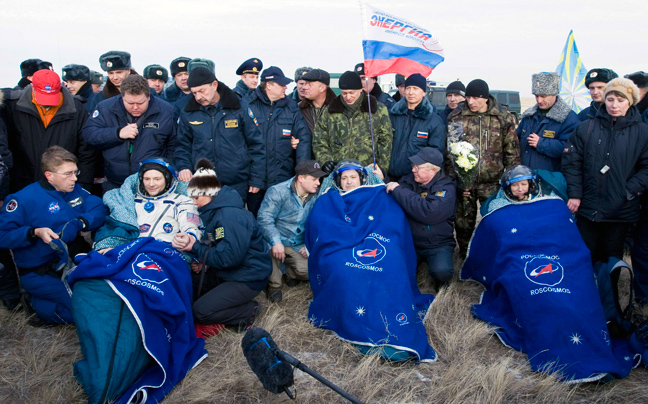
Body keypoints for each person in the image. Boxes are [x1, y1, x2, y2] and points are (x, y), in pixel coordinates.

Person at [0, 146, 107, 324]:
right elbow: (3, 235)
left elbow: (99, 208)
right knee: (86, 313)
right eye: (68, 174)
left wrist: (80, 222)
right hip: (41, 271)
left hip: (75, 259)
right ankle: (36, 305)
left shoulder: (75, 190)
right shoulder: (22, 200)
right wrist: (34, 232)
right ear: (50, 176)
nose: (75, 178)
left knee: (105, 300)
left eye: (75, 171)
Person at [173, 159, 271, 332]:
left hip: (248, 277)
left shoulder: (229, 217)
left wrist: (194, 248)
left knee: (200, 312)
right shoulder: (217, 210)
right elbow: (219, 244)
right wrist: (202, 256)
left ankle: (248, 311)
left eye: (196, 198)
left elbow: (229, 258)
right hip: (232, 271)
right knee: (189, 282)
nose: (194, 203)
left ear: (209, 193)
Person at [562, 78, 648, 264]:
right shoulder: (586, 128)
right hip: (588, 206)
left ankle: (610, 293)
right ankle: (588, 292)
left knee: (611, 258)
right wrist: (575, 194)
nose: (614, 105)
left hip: (620, 210)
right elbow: (572, 162)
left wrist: (628, 191)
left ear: (630, 101)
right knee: (586, 255)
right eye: (610, 99)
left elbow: (646, 168)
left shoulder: (643, 132)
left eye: (620, 100)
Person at [447, 78, 520, 258]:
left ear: (485, 98)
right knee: (463, 223)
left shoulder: (502, 117)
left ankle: (494, 255)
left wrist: (512, 180)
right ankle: (465, 256)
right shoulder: (457, 117)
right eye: (468, 97)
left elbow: (512, 150)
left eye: (475, 98)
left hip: (492, 182)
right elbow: (450, 150)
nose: (470, 102)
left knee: (495, 220)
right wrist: (455, 179)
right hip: (466, 184)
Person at [175, 66, 265, 203]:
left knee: (232, 220)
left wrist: (257, 178)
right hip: (203, 182)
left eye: (202, 91)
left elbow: (256, 144)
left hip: (236, 181)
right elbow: (182, 145)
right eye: (194, 93)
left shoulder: (238, 107)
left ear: (214, 85)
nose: (198, 97)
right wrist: (184, 167)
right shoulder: (188, 112)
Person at [2, 69, 95, 193]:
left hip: (62, 185)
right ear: (32, 87)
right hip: (22, 183)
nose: (47, 103)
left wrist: (83, 183)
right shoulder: (13, 107)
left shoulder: (76, 109)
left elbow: (87, 149)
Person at [83, 74, 176, 192]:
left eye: (140, 103)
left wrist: (166, 171)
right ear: (122, 97)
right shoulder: (105, 108)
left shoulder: (166, 111)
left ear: (148, 96)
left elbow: (174, 144)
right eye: (130, 103)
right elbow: (89, 134)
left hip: (153, 183)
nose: (135, 107)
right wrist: (117, 133)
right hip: (115, 183)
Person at [93, 157, 202, 254]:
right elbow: (115, 227)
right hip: (133, 252)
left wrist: (188, 237)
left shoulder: (181, 201)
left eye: (157, 179)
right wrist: (110, 246)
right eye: (147, 179)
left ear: (168, 179)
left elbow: (190, 224)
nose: (151, 184)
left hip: (165, 253)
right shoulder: (130, 201)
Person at [243, 66, 311, 216]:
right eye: (281, 84)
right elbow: (240, 143)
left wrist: (302, 174)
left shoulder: (291, 107)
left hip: (282, 179)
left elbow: (303, 139)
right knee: (255, 220)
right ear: (269, 85)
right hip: (255, 181)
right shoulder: (247, 105)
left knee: (280, 221)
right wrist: (254, 178)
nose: (285, 87)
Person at [384, 147, 456, 286]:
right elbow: (394, 193)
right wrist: (383, 178)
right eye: (413, 166)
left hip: (437, 243)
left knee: (442, 272)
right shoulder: (409, 180)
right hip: (410, 241)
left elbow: (429, 212)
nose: (413, 170)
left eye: (418, 167)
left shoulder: (446, 188)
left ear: (433, 170)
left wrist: (399, 190)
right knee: (395, 269)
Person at [257, 160, 326, 303]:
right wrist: (275, 241)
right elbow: (264, 219)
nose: (318, 183)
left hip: (297, 244)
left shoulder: (317, 196)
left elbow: (319, 223)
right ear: (301, 178)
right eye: (314, 179)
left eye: (319, 179)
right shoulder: (277, 191)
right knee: (268, 249)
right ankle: (274, 286)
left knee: (310, 271)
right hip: (277, 241)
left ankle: (288, 272)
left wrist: (308, 245)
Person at [313, 71, 393, 173]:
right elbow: (319, 140)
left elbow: (385, 141)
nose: (348, 97)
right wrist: (325, 160)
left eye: (352, 93)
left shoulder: (378, 110)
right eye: (344, 93)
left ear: (360, 90)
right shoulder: (330, 112)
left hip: (368, 170)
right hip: (339, 171)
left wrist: (381, 168)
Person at [517, 72, 580, 171]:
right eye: (536, 96)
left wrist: (541, 143)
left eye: (543, 96)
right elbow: (516, 140)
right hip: (525, 178)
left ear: (554, 93)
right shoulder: (528, 116)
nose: (539, 100)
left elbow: (570, 149)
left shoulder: (569, 119)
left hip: (550, 179)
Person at [388, 73, 446, 181]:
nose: (411, 92)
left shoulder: (433, 121)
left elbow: (435, 153)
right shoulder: (392, 115)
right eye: (408, 88)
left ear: (423, 92)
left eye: (415, 88)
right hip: (389, 177)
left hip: (415, 180)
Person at [299, 68, 337, 135]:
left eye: (309, 84)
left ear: (322, 88)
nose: (304, 87)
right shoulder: (299, 109)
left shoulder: (339, 109)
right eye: (304, 84)